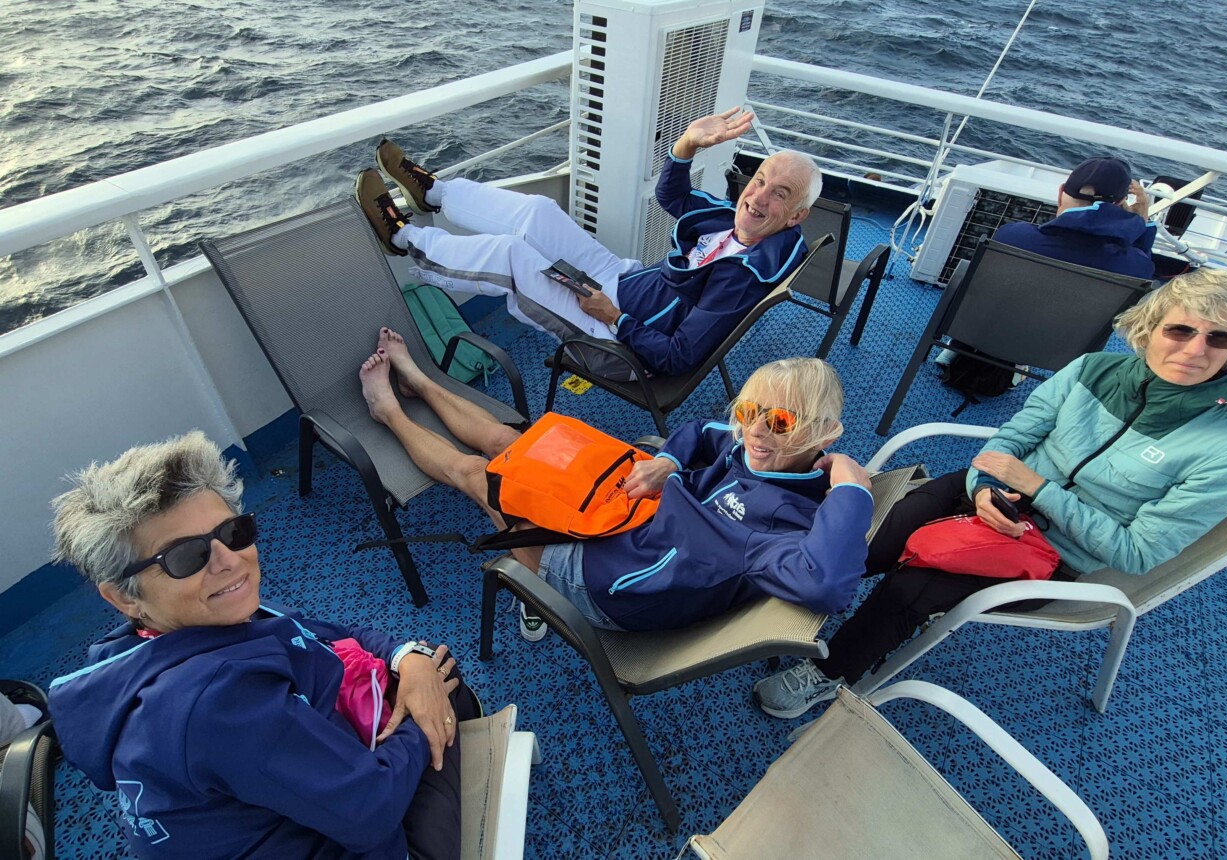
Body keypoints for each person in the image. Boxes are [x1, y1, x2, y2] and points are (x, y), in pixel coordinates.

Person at [755, 268, 1227, 718]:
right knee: (872, 542)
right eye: (1180, 329)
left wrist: (1038, 489)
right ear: (1149, 327)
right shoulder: (1092, 371)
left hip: (1051, 554)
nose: (1195, 350)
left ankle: (830, 672)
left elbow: (1138, 553)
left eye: (1219, 338)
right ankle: (776, 605)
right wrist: (986, 488)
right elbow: (1012, 438)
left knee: (909, 588)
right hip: (991, 493)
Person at [47, 432, 475, 860]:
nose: (228, 560)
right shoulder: (219, 703)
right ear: (124, 597)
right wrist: (424, 711)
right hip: (358, 834)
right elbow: (372, 809)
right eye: (184, 556)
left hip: (285, 799)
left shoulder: (162, 633)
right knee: (449, 685)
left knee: (424, 667)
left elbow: (319, 631)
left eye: (233, 532)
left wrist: (406, 657)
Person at [359, 327, 874, 633]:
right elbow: (701, 431)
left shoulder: (784, 522)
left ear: (826, 434)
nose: (756, 431)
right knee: (509, 440)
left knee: (479, 474)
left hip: (605, 580)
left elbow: (826, 585)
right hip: (625, 509)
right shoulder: (753, 446)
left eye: (780, 421)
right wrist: (669, 462)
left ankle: (389, 412)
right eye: (748, 410)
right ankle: (420, 380)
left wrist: (853, 488)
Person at [354, 108, 820, 380]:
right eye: (760, 180)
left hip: (615, 340)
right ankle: (435, 194)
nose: (758, 197)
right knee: (539, 213)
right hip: (624, 280)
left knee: (511, 257)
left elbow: (679, 356)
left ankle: (402, 237)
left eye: (779, 195)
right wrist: (687, 144)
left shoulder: (742, 274)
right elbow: (673, 197)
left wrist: (613, 316)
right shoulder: (737, 222)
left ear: (797, 215)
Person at [995, 155, 1156, 279]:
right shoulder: (1135, 267)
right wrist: (1141, 225)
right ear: (1119, 204)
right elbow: (1141, 272)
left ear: (1060, 194)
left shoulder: (1011, 236)